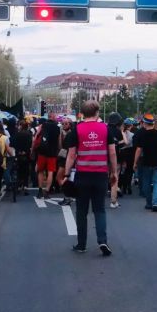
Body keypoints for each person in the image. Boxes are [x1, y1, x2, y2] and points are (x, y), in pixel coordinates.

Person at [64, 100, 117, 256]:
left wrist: (67, 174)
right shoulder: (106, 129)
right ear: (97, 113)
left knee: (81, 211)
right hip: (100, 175)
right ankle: (102, 241)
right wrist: (114, 172)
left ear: (82, 114)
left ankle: (81, 244)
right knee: (99, 210)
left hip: (83, 175)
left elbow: (71, 155)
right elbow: (112, 153)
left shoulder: (77, 130)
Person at [132, 114, 157, 212]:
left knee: (146, 183)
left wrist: (135, 162)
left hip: (146, 162)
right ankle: (155, 203)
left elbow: (139, 149)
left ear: (145, 123)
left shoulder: (142, 134)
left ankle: (149, 202)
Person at [32, 116, 61, 199]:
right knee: (50, 172)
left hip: (42, 152)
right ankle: (47, 191)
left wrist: (33, 149)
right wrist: (58, 150)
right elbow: (59, 142)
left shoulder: (42, 125)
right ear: (55, 120)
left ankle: (40, 190)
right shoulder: (57, 128)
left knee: (40, 171)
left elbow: (36, 138)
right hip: (52, 153)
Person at [106, 113, 125, 208]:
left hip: (103, 158)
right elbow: (123, 144)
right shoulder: (117, 132)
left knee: (103, 178)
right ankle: (113, 201)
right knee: (114, 179)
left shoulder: (104, 129)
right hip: (115, 158)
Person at [11, 119, 33, 195]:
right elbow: (30, 144)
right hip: (26, 154)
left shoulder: (17, 134)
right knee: (26, 171)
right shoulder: (29, 134)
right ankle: (26, 186)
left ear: (21, 126)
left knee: (19, 170)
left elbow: (13, 144)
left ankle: (19, 185)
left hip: (18, 154)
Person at [119, 120, 135, 195]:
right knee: (129, 171)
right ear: (130, 126)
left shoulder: (121, 134)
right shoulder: (132, 135)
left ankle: (123, 187)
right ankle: (128, 186)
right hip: (130, 153)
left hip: (122, 152)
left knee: (122, 171)